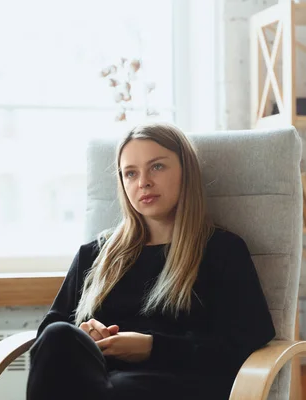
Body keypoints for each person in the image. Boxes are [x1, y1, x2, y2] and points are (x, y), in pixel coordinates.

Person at [26, 122, 276, 400]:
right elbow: (49, 338)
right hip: (96, 382)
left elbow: (247, 340)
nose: (143, 182)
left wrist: (152, 347)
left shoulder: (221, 250)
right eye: (130, 173)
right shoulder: (94, 254)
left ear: (186, 171)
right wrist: (85, 334)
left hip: (177, 384)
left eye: (157, 166)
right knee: (60, 334)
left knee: (121, 388)